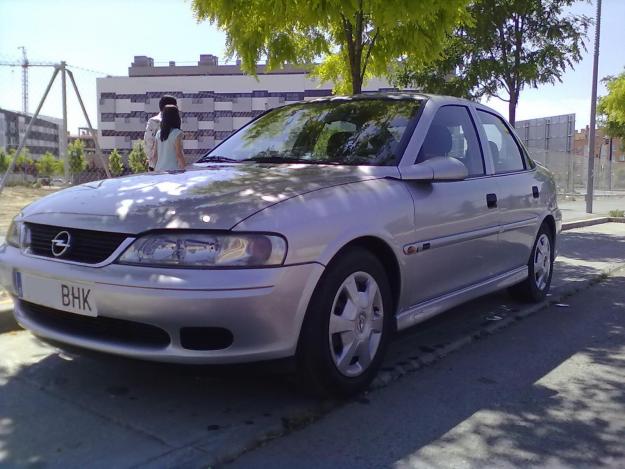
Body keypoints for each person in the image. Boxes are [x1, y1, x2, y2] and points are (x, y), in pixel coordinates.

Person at [144, 95, 177, 170]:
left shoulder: (175, 121)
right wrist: (152, 159)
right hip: (157, 164)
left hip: (170, 162)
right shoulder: (154, 121)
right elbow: (148, 141)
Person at [153, 105, 186, 171]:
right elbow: (179, 154)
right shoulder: (177, 133)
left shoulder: (158, 133)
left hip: (159, 170)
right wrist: (184, 168)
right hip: (173, 170)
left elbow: (154, 155)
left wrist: (154, 169)